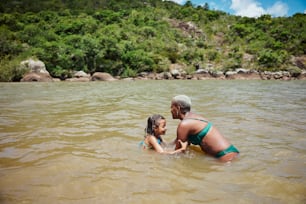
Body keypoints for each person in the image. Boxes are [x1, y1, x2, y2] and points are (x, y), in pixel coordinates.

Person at [170, 95, 239, 162]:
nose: (170, 110)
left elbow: (178, 153)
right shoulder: (195, 118)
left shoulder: (184, 124)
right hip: (230, 153)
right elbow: (177, 142)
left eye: (171, 107)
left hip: (225, 157)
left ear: (178, 107)